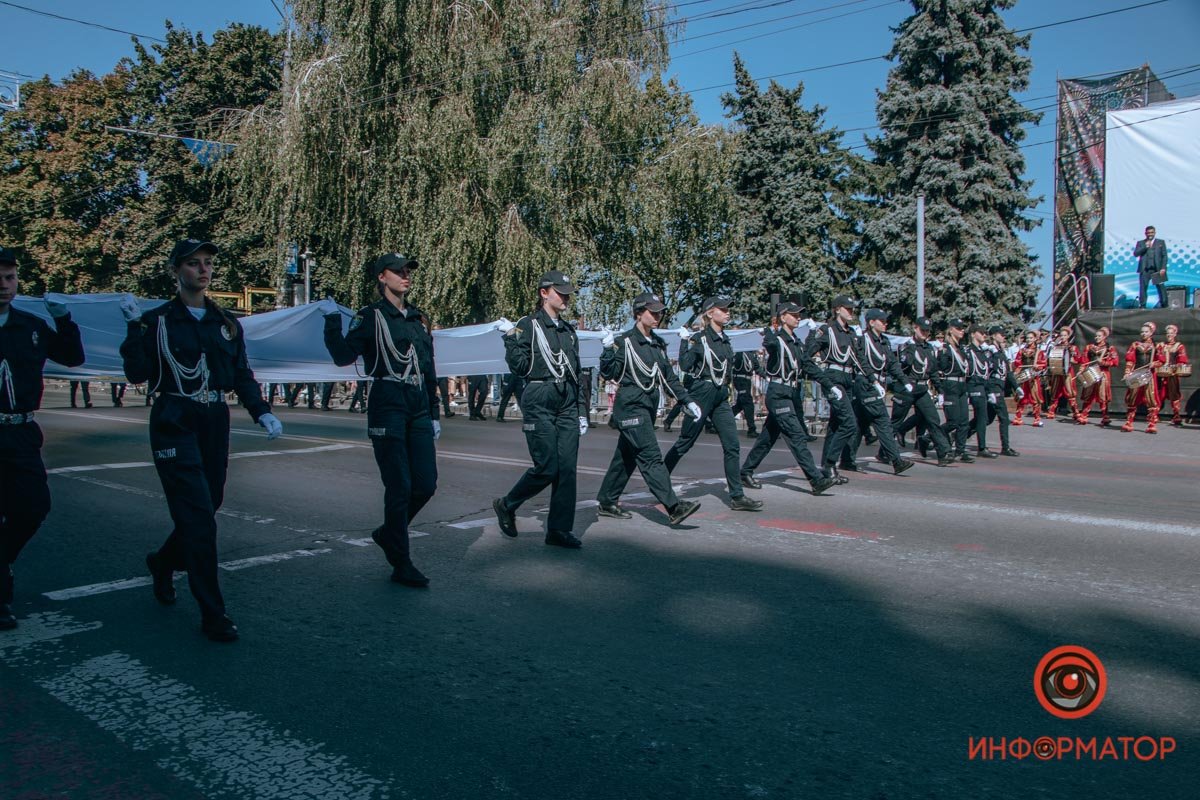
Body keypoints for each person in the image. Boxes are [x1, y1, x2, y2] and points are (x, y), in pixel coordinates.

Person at [120, 240, 284, 642]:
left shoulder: (226, 323)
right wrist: (132, 329)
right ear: (176, 270)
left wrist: (261, 410)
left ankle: (162, 562)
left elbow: (241, 373)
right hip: (174, 417)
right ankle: (213, 613)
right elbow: (137, 374)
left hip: (213, 417)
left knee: (210, 503)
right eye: (193, 264)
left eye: (208, 263)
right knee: (199, 520)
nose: (203, 270)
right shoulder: (156, 321)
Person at [324, 253, 439, 586]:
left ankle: (389, 532)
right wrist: (332, 323)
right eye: (398, 271)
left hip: (416, 404)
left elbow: (429, 367)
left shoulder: (418, 318)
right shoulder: (370, 317)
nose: (406, 276)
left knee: (426, 484)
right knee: (399, 486)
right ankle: (401, 562)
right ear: (381, 277)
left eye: (408, 271)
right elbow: (344, 356)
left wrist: (433, 410)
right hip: (387, 401)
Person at [0, 247, 86, 630]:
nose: (3, 286)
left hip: (20, 432)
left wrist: (64, 319)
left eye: (9, 277)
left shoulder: (31, 327)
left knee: (33, 507)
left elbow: (73, 357)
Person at [493, 271, 588, 548]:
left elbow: (577, 373)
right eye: (560, 291)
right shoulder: (528, 326)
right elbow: (520, 367)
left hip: (567, 400)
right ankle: (508, 504)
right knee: (547, 467)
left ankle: (558, 530)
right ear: (544, 293)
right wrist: (510, 338)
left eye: (568, 292)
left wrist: (581, 409)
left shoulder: (569, 331)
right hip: (539, 396)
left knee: (567, 470)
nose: (565, 296)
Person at [595, 292, 703, 525]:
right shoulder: (624, 342)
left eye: (659, 312)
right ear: (638, 313)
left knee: (626, 457)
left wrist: (687, 400)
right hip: (632, 407)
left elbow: (669, 377)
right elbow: (609, 373)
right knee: (650, 456)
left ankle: (606, 500)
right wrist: (606, 350)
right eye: (652, 312)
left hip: (647, 408)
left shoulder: (655, 343)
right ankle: (674, 506)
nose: (657, 316)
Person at [663, 297, 763, 511]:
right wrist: (683, 342)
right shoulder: (699, 339)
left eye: (728, 309)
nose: (727, 312)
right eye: (723, 309)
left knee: (732, 444)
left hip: (720, 395)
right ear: (710, 313)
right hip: (702, 392)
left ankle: (737, 496)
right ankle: (660, 483)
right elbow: (686, 365)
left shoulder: (725, 339)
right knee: (685, 442)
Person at [739, 301, 840, 493]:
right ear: (783, 317)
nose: (798, 317)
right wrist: (768, 332)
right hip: (778, 393)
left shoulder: (796, 342)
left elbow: (808, 366)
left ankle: (746, 472)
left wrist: (829, 384)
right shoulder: (777, 339)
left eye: (799, 314)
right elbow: (770, 345)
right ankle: (816, 479)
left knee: (767, 439)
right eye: (793, 314)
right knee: (796, 435)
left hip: (790, 393)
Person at [804, 295, 861, 483]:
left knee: (836, 425)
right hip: (833, 378)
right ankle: (829, 464)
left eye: (852, 309)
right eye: (847, 308)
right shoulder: (826, 330)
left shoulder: (851, 332)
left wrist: (872, 380)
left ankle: (827, 469)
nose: (851, 311)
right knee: (850, 423)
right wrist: (822, 377)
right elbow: (808, 355)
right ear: (837, 309)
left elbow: (858, 359)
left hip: (848, 378)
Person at [850, 308, 914, 474]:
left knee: (859, 423)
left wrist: (905, 381)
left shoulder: (884, 341)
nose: (886, 323)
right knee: (882, 421)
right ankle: (896, 460)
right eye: (882, 321)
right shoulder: (862, 339)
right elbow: (861, 361)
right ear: (872, 322)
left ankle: (846, 459)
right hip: (866, 383)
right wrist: (873, 380)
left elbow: (892, 364)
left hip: (877, 384)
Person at [892, 316, 952, 466]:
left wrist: (940, 389)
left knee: (933, 419)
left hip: (922, 388)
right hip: (908, 387)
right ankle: (885, 451)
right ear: (915, 328)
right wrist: (912, 346)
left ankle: (943, 452)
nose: (924, 333)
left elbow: (932, 371)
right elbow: (906, 364)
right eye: (922, 330)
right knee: (895, 421)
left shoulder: (929, 348)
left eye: (927, 331)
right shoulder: (906, 346)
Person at [938, 319, 975, 462]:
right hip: (950, 384)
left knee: (964, 421)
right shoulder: (945, 348)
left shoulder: (961, 348)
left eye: (962, 328)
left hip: (961, 386)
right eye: (958, 328)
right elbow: (941, 368)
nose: (962, 331)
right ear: (951, 330)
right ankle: (932, 437)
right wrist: (940, 390)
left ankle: (960, 450)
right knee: (952, 421)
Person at [981, 326, 1020, 457]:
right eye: (1001, 334)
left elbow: (1008, 372)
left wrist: (1016, 387)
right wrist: (989, 390)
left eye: (1004, 334)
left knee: (986, 419)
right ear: (993, 336)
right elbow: (986, 371)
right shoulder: (989, 351)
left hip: (999, 387)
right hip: (993, 387)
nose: (1004, 337)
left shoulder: (1001, 352)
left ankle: (957, 436)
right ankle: (1005, 447)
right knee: (1004, 418)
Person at [1122, 321, 1164, 433]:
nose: (1143, 334)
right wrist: (1127, 371)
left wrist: (1154, 364)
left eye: (1146, 332)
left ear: (1151, 333)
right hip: (1137, 372)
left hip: (1149, 374)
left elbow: (1161, 361)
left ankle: (1152, 424)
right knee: (1133, 396)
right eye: (1142, 332)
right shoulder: (1135, 345)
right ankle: (1129, 422)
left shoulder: (1157, 346)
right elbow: (1130, 360)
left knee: (1151, 397)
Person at [1076, 327, 1119, 426]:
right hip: (1091, 372)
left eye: (1099, 336)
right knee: (1088, 394)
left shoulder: (1109, 348)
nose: (1097, 337)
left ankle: (1105, 417)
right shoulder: (1089, 347)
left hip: (1103, 373)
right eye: (1096, 336)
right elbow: (1084, 361)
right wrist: (1081, 371)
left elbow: (1115, 362)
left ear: (1104, 337)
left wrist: (1103, 362)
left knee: (1102, 396)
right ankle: (1084, 415)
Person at [1044, 326, 1081, 421]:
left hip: (1067, 371)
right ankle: (1051, 411)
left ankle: (1075, 412)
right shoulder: (1056, 346)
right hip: (1057, 371)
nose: (1063, 337)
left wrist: (1073, 360)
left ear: (1068, 336)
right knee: (1055, 391)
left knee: (1070, 391)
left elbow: (1078, 359)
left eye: (1065, 335)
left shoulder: (1072, 347)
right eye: (1062, 335)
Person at [1156, 323, 1189, 426]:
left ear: (1175, 334)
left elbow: (1182, 360)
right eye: (1167, 333)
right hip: (1161, 373)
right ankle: (1154, 414)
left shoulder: (1179, 346)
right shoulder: (1161, 345)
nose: (1169, 335)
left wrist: (1176, 366)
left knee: (1174, 394)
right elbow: (1157, 357)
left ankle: (1176, 415)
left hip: (1173, 373)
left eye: (1171, 333)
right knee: (1159, 394)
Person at [1012, 331, 1046, 427]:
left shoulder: (1039, 351)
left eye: (1031, 338)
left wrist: (1038, 366)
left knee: (1036, 398)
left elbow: (1043, 363)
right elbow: (1017, 362)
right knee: (1021, 396)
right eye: (1027, 338)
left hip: (1033, 377)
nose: (1028, 340)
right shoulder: (1022, 350)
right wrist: (1018, 369)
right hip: (1023, 376)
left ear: (1035, 339)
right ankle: (1018, 417)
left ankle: (1037, 419)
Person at [1134, 225, 1167, 309]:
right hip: (1145, 269)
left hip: (1157, 269)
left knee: (1161, 287)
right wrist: (1145, 246)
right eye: (1148, 233)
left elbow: (1164, 256)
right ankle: (1143, 305)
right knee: (1143, 288)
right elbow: (1136, 253)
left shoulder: (1160, 242)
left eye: (1152, 232)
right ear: (1145, 233)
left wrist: (1163, 268)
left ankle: (1164, 304)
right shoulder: (1141, 243)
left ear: (1155, 233)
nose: (1150, 234)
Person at [730, 352, 759, 437]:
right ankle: (751, 429)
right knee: (748, 404)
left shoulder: (750, 355)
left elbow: (757, 367)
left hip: (745, 381)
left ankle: (722, 420)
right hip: (741, 381)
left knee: (740, 405)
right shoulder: (741, 354)